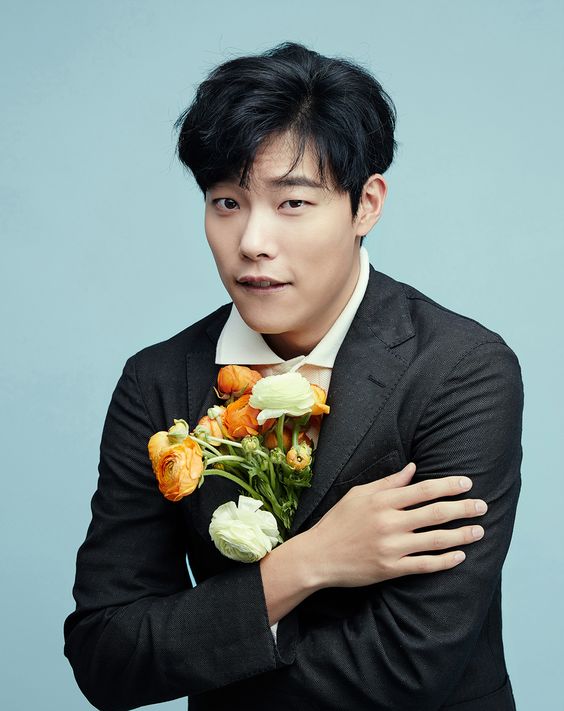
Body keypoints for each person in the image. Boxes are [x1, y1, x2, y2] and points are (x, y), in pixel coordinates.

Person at [63, 41, 523, 710]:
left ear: (366, 205)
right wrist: (308, 563)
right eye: (227, 202)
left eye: (293, 203)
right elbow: (107, 655)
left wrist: (203, 652)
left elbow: (411, 667)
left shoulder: (460, 369)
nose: (253, 242)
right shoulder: (157, 380)